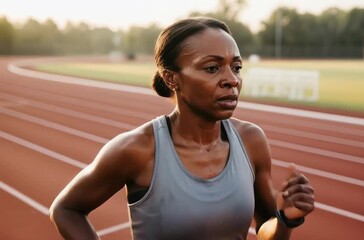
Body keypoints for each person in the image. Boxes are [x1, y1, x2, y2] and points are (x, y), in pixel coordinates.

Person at [49, 17, 315, 240]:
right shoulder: (137, 149)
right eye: (212, 68)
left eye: (236, 67)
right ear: (171, 78)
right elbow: (66, 209)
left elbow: (266, 228)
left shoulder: (251, 141)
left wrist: (285, 218)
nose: (232, 80)